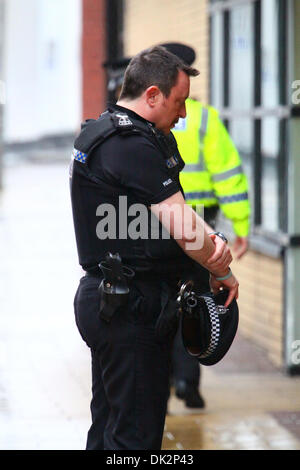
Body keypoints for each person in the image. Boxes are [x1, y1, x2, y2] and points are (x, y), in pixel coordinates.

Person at [70, 45, 239, 450]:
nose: (183, 114)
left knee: (109, 428)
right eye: (179, 102)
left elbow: (154, 222)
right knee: (135, 441)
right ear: (151, 96)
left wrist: (205, 251)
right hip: (130, 311)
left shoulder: (109, 133)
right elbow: (184, 229)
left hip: (116, 302)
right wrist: (221, 268)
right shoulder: (132, 145)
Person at [159, 42, 250, 409]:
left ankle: (162, 381)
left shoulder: (150, 117)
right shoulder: (206, 119)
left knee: (162, 301)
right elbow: (229, 175)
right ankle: (189, 382)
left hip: (158, 226)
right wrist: (241, 225)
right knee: (195, 301)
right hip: (202, 228)